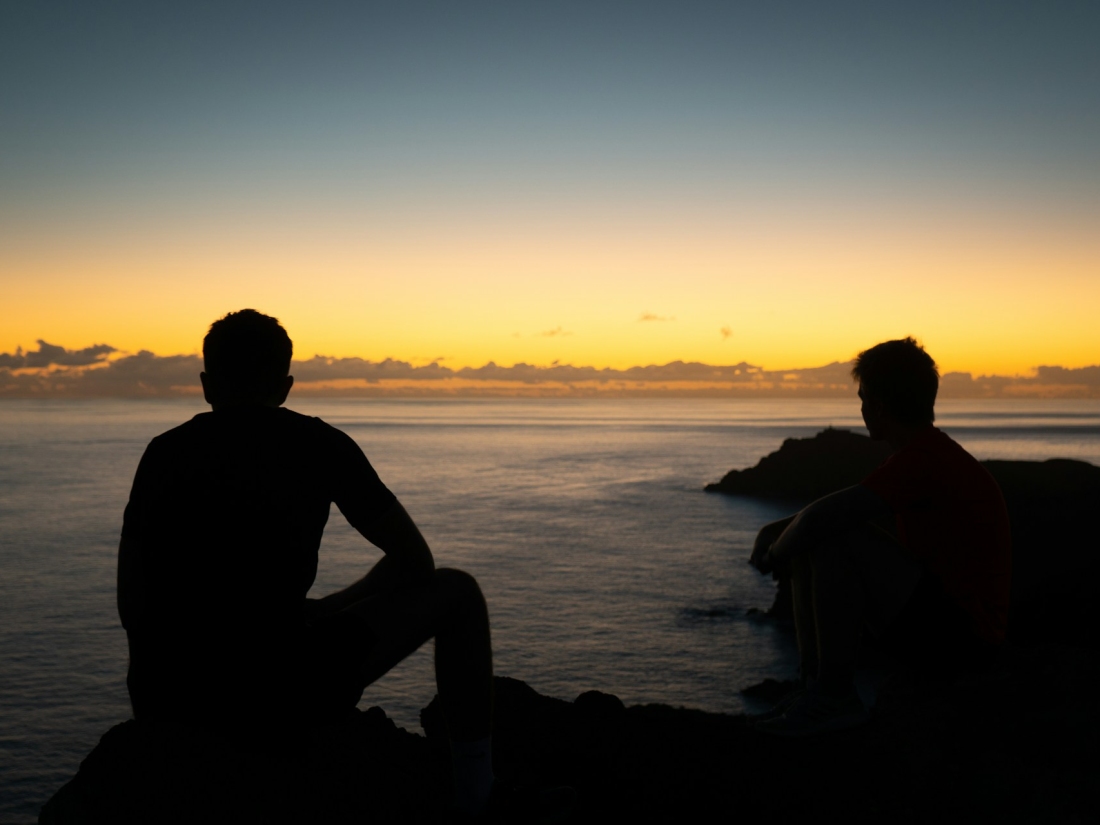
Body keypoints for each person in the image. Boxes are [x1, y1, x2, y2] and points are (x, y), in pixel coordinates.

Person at [117, 309, 571, 820]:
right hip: (283, 690)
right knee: (458, 591)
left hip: (177, 698)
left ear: (206, 384)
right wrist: (331, 606)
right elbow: (415, 561)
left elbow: (133, 604)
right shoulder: (318, 444)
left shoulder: (164, 453)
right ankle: (475, 794)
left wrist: (154, 725)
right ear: (285, 386)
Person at [747, 337, 1011, 737]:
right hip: (944, 624)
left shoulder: (923, 461)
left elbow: (826, 519)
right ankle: (814, 689)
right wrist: (777, 529)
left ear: (879, 405)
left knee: (834, 538)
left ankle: (833, 698)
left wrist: (774, 552)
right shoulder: (924, 456)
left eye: (862, 398)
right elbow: (831, 510)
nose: (861, 409)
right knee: (824, 535)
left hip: (962, 642)